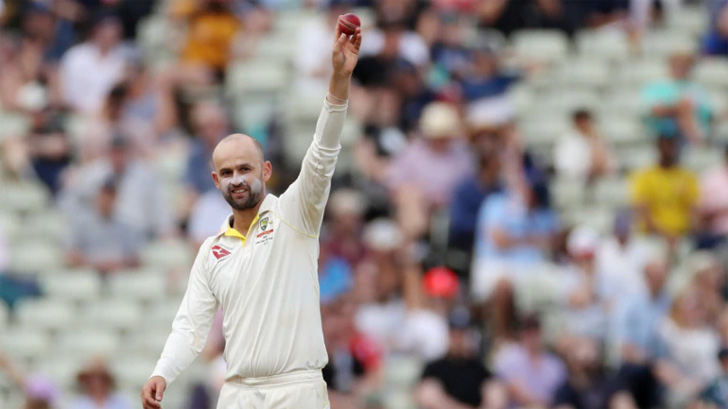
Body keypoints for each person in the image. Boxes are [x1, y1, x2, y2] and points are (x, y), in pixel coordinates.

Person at [141, 24, 362, 409]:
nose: (236, 179)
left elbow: (323, 154)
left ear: (265, 170)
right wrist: (163, 372)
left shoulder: (296, 213)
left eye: (245, 169)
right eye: (226, 173)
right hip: (238, 392)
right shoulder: (212, 250)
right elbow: (191, 326)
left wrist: (338, 80)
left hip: (296, 390)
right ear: (215, 181)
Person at [614, 257, 672, 409]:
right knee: (636, 373)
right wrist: (653, 364)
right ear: (646, 277)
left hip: (666, 364)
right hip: (638, 365)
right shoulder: (630, 303)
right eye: (655, 275)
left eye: (662, 276)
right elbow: (625, 347)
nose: (659, 280)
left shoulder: (669, 301)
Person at [415, 308, 502, 409]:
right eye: (454, 333)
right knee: (428, 390)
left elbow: (494, 390)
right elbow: (423, 394)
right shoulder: (435, 367)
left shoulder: (477, 368)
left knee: (496, 389)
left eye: (462, 333)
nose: (458, 338)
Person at [630, 135, 698, 247]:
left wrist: (685, 232)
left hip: (682, 235)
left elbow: (694, 211)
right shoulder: (646, 176)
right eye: (664, 145)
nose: (667, 149)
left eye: (670, 145)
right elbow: (643, 211)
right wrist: (666, 234)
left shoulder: (687, 177)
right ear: (658, 147)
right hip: (654, 238)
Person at [493, 315, 567, 409]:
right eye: (528, 332)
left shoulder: (554, 363)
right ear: (521, 334)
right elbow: (513, 391)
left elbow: (560, 396)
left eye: (535, 332)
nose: (532, 336)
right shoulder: (508, 356)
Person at [642, 51, 712, 144]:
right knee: (684, 107)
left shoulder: (696, 88)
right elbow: (654, 110)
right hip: (661, 130)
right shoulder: (656, 86)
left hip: (684, 130)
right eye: (677, 65)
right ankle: (696, 139)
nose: (680, 69)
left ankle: (694, 138)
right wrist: (678, 108)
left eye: (684, 66)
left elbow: (705, 113)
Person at [553, 109, 615, 183]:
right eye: (581, 121)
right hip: (576, 181)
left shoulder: (599, 138)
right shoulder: (566, 141)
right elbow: (564, 167)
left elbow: (610, 164)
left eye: (586, 121)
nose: (584, 124)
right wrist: (586, 171)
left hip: (601, 180)